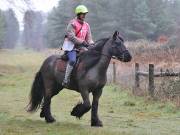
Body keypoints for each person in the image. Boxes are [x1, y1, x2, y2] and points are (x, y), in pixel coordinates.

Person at [62, 5, 94, 87]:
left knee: (91, 57)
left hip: (82, 47)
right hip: (71, 47)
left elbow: (89, 37)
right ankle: (66, 80)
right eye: (82, 14)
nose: (84, 15)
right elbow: (71, 37)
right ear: (78, 14)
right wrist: (82, 42)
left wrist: (91, 44)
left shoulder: (87, 25)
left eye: (85, 14)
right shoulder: (72, 23)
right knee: (72, 60)